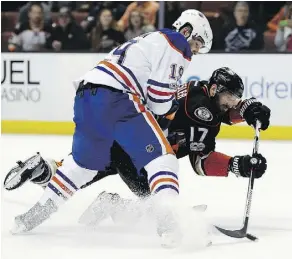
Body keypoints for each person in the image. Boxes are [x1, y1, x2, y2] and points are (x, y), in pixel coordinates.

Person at [6, 10, 213, 248]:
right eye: (196, 44)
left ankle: (28, 219)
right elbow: (158, 99)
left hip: (86, 97)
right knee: (163, 158)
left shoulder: (148, 40)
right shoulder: (177, 42)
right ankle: (170, 225)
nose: (194, 51)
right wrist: (172, 106)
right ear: (187, 31)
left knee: (81, 168)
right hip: (117, 98)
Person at [4, 67, 270, 231]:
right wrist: (245, 110)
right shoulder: (195, 96)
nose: (231, 103)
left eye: (235, 100)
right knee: (155, 202)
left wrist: (238, 165)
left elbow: (202, 162)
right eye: (230, 98)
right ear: (214, 89)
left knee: (72, 179)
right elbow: (206, 112)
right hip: (133, 148)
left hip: (119, 144)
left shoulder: (210, 118)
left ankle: (43, 170)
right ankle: (112, 205)